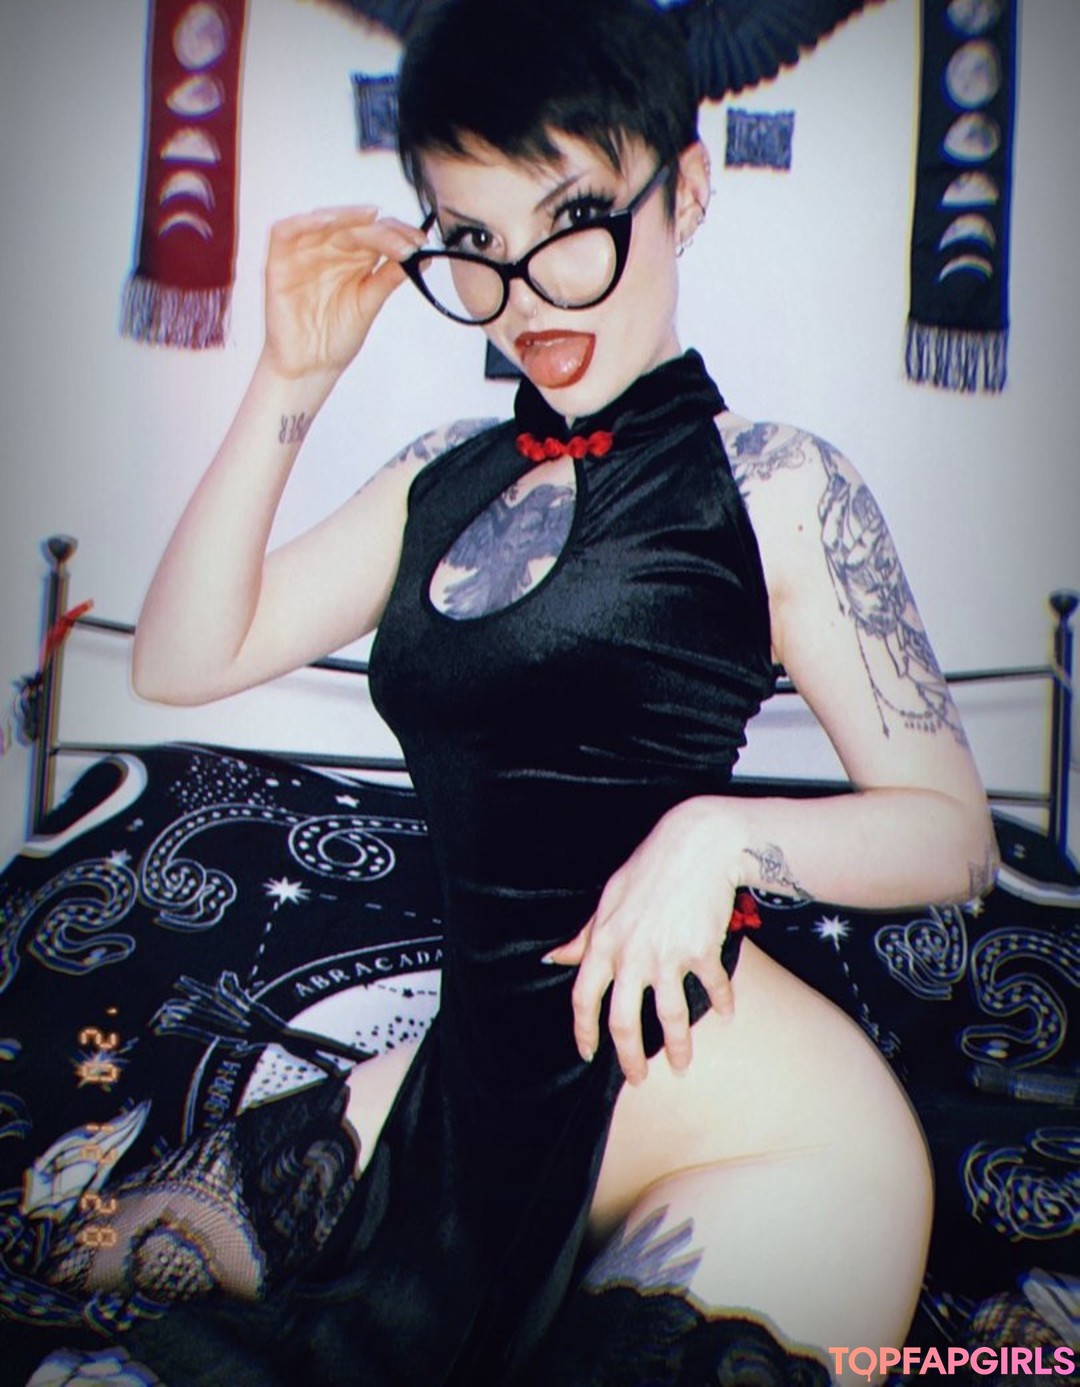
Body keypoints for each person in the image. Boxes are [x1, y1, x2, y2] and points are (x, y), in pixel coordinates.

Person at [85, 0, 996, 1381]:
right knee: (96, 1249)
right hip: (472, 1098)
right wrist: (289, 374)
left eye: (573, 219)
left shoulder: (779, 489)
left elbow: (954, 836)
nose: (527, 295)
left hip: (761, 1133)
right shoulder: (440, 478)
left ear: (686, 191)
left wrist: (713, 838)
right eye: (473, 240)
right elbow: (179, 660)